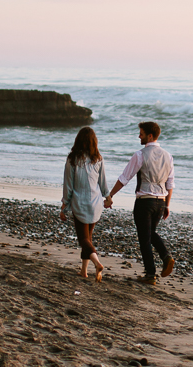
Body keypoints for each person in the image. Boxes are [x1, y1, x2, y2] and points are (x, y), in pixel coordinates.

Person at [104, 121, 175, 285]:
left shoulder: (140, 155)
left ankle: (152, 272)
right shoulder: (168, 156)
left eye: (141, 133)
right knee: (150, 233)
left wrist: (110, 195)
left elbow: (125, 177)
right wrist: (167, 205)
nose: (139, 136)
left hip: (144, 202)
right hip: (160, 202)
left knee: (145, 238)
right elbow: (170, 184)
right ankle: (164, 258)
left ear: (150, 135)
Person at [59, 127, 110, 281]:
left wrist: (64, 206)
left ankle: (97, 263)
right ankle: (84, 270)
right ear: (94, 142)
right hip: (95, 203)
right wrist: (108, 197)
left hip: (80, 203)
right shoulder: (98, 158)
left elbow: (68, 186)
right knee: (88, 238)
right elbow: (103, 182)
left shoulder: (73, 159)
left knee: (83, 239)